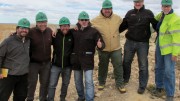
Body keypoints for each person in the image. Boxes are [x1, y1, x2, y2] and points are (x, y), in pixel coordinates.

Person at [119, 0, 157, 94]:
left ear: (143, 2)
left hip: (143, 44)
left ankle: (142, 86)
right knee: (126, 62)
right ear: (134, 2)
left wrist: (162, 33)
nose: (137, 3)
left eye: (139, 1)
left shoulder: (148, 13)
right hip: (129, 42)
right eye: (136, 1)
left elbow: (157, 26)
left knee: (143, 65)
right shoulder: (129, 13)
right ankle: (125, 79)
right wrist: (112, 32)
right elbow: (121, 27)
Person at [91, 0, 126, 93]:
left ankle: (120, 84)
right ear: (102, 9)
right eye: (105, 9)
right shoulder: (95, 20)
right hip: (103, 49)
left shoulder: (118, 18)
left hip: (116, 48)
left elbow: (127, 23)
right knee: (102, 66)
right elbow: (85, 25)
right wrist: (76, 26)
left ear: (111, 9)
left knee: (118, 66)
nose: (107, 10)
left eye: (109, 8)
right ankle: (101, 83)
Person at [71, 11, 105, 101]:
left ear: (88, 20)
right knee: (78, 81)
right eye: (82, 20)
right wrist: (56, 29)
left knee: (89, 81)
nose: (84, 21)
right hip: (76, 61)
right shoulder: (74, 31)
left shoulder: (94, 32)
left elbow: (101, 42)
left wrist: (100, 45)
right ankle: (81, 97)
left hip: (88, 61)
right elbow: (63, 32)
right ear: (78, 20)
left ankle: (89, 99)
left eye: (86, 20)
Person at [153, 0, 180, 100]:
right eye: (164, 6)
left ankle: (170, 93)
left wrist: (175, 53)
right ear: (161, 6)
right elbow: (152, 22)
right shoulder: (161, 15)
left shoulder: (176, 19)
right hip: (159, 46)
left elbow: (177, 38)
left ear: (171, 6)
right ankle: (159, 87)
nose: (166, 8)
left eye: (168, 6)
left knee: (169, 71)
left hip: (170, 49)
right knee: (159, 67)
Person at [0, 18, 30, 101]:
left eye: (26, 28)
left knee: (21, 97)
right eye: (22, 28)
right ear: (17, 29)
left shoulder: (29, 40)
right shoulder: (8, 41)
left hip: (23, 75)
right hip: (7, 74)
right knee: (2, 96)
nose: (24, 30)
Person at [27, 12, 53, 101]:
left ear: (47, 22)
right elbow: (21, 33)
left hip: (46, 64)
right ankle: (30, 99)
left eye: (44, 22)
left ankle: (43, 99)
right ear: (36, 23)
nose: (42, 24)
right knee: (31, 84)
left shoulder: (49, 31)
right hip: (33, 64)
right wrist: (13, 33)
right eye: (40, 22)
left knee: (44, 83)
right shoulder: (31, 32)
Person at [47, 17, 73, 101]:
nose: (65, 28)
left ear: (69, 26)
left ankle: (62, 99)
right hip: (55, 65)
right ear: (60, 26)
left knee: (65, 84)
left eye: (66, 26)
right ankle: (50, 99)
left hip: (68, 66)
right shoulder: (55, 35)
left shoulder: (72, 35)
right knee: (52, 85)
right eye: (62, 26)